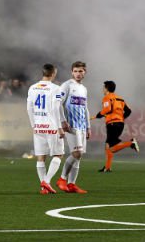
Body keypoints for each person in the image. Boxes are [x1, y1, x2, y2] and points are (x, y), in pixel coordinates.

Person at [26, 63, 65, 194]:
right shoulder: (56, 89)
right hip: (52, 126)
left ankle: (44, 188)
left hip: (38, 127)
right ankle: (46, 181)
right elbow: (55, 108)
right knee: (58, 154)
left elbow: (29, 108)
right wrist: (59, 127)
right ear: (53, 73)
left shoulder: (32, 88)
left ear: (43, 73)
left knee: (41, 157)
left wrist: (33, 125)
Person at [57, 61, 91, 194]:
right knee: (77, 153)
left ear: (85, 72)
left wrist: (88, 127)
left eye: (80, 71)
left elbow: (85, 108)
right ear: (72, 72)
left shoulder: (83, 88)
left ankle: (72, 185)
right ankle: (62, 179)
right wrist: (62, 121)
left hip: (82, 126)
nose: (78, 74)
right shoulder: (66, 85)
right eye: (75, 71)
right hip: (71, 125)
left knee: (79, 156)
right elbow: (58, 103)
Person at [95, 80, 138, 172]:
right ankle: (107, 167)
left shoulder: (107, 97)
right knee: (107, 145)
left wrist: (100, 114)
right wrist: (121, 118)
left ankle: (130, 143)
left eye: (103, 88)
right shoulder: (120, 99)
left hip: (112, 124)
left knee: (111, 148)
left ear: (106, 88)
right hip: (120, 124)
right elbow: (129, 111)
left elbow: (107, 109)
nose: (102, 90)